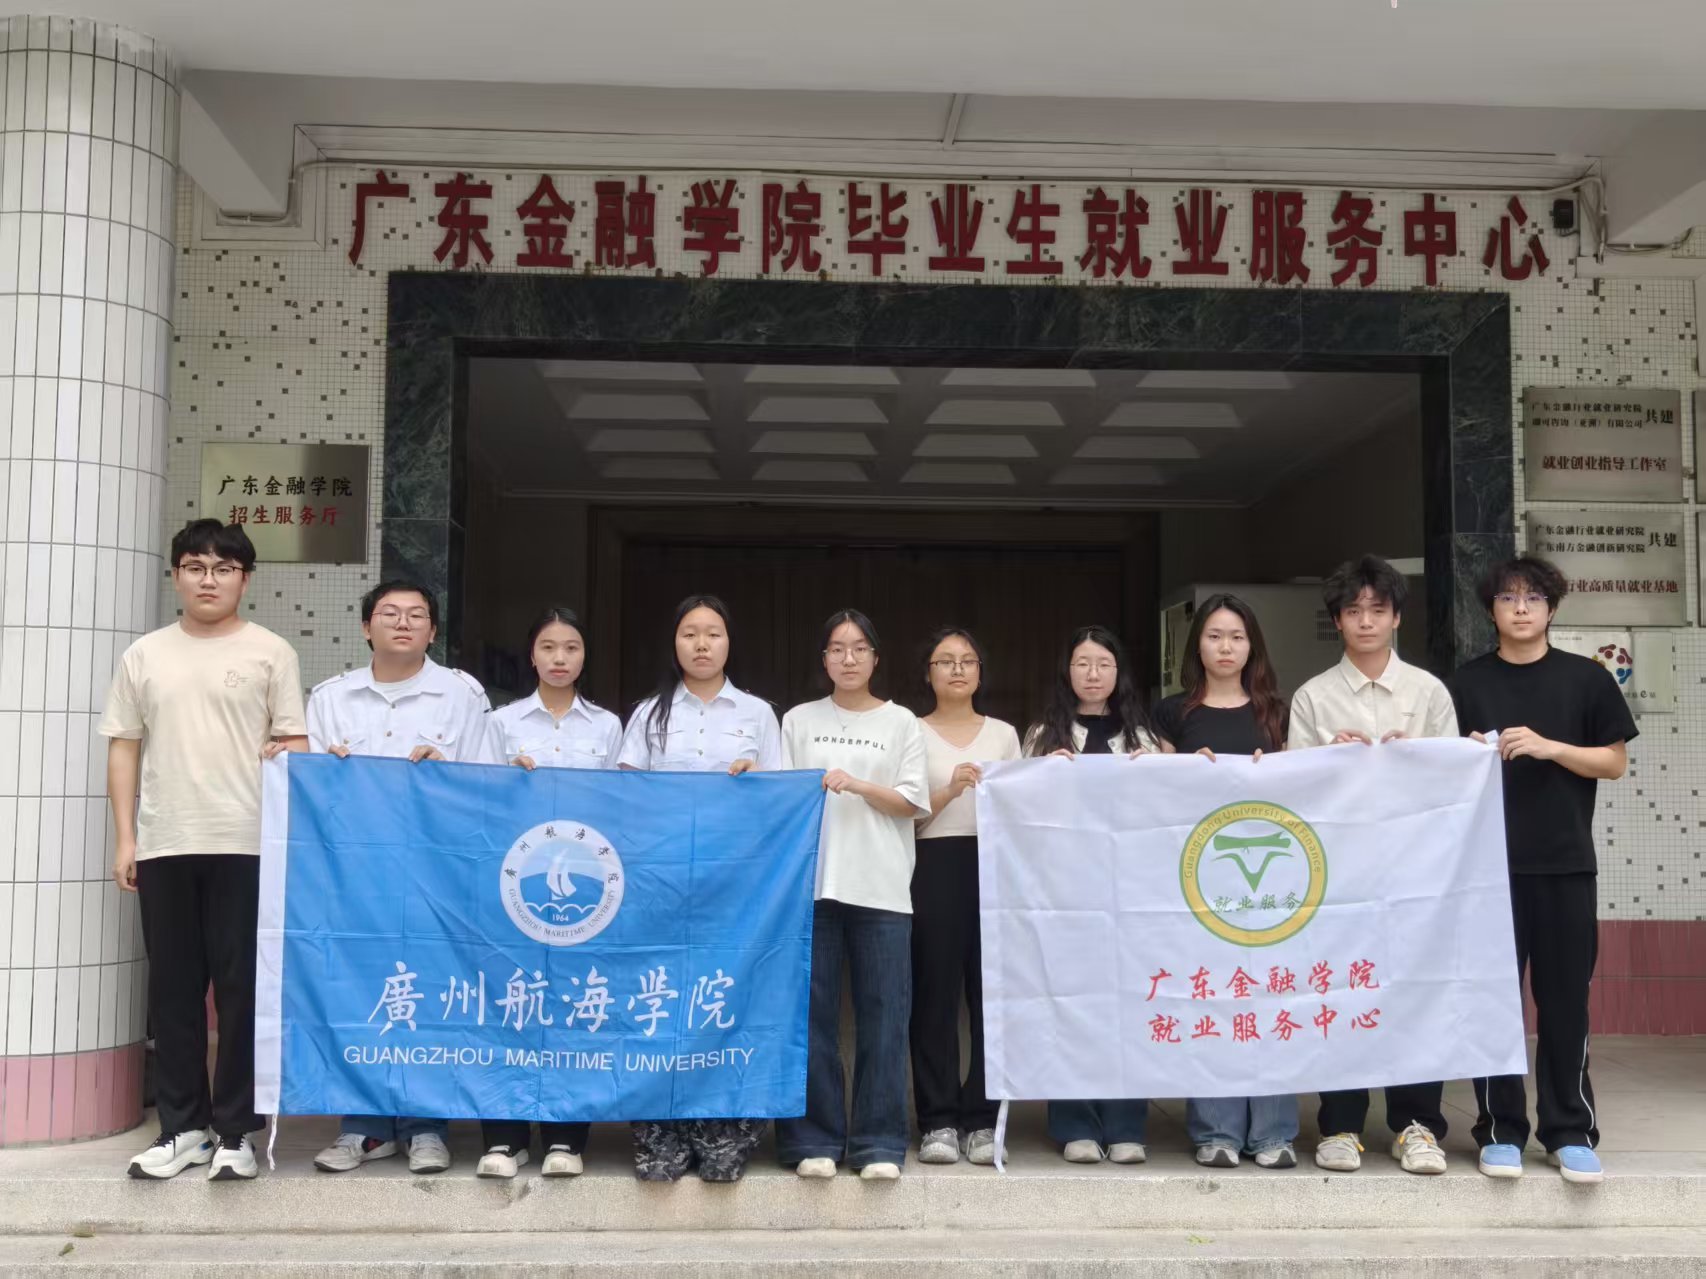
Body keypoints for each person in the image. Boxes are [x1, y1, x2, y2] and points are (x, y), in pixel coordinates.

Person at [100, 519, 308, 1181]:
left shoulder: (271, 651)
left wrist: (285, 750)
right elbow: (124, 746)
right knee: (173, 989)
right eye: (195, 567)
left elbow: (295, 743)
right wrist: (127, 838)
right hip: (166, 841)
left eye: (223, 568)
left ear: (245, 579)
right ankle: (183, 1127)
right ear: (176, 576)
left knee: (242, 989)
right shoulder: (145, 654)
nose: (208, 579)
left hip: (247, 843)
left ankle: (236, 1131)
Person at [307, 579, 503, 1176]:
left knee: (428, 990)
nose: (402, 622)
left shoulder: (461, 694)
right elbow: (307, 786)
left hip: (434, 872)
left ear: (433, 631)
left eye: (417, 615)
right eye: (389, 613)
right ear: (366, 627)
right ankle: (362, 1127)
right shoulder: (331, 697)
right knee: (360, 990)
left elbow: (489, 780)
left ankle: (426, 1126)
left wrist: (448, 773)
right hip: (355, 874)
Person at [1449, 555, 1634, 1185]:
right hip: (1486, 874)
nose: (1521, 607)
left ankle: (1569, 1130)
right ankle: (1500, 1130)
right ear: (1491, 610)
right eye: (1508, 598)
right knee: (1492, 1004)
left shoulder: (1586, 680)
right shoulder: (1466, 684)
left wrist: (1550, 747)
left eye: (1533, 597)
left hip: (1565, 866)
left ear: (1552, 608)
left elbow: (1613, 763)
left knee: (1564, 1004)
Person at [1287, 555, 1457, 1176]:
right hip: (1341, 876)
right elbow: (1294, 792)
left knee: (1415, 993)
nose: (1365, 621)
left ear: (1397, 618)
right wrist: (1327, 761)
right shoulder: (1312, 696)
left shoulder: (1429, 693)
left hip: (1415, 874)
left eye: (1377, 610)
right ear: (1336, 620)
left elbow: (1453, 787)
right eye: (1353, 611)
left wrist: (1421, 759)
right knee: (1340, 989)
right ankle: (1340, 1123)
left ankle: (1417, 1124)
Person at [616, 593, 781, 1182]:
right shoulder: (648, 714)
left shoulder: (758, 714)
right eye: (690, 633)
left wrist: (755, 783)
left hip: (737, 887)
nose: (702, 644)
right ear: (674, 643)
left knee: (723, 999)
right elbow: (623, 800)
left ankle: (724, 1131)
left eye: (713, 633)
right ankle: (659, 1132)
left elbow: (779, 799)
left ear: (729, 642)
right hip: (662, 885)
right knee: (662, 1000)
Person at [776, 609, 931, 1181]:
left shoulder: (901, 721)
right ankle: (812, 1140)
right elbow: (779, 797)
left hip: (882, 887)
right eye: (837, 648)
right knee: (810, 1018)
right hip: (811, 886)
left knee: (884, 1018)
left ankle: (879, 1143)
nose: (848, 658)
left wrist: (858, 784)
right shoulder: (798, 720)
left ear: (875, 658)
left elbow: (912, 803)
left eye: (859, 648)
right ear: (823, 659)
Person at [1152, 594, 1300, 1171]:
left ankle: (1274, 1131)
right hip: (1200, 879)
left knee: (1272, 998)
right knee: (1212, 999)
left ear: (1252, 645)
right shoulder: (1172, 714)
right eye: (1214, 636)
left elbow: (1305, 789)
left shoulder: (1277, 712)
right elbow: (1156, 797)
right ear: (1197, 645)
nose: (1225, 647)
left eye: (1237, 636)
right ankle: (1215, 1130)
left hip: (1272, 884)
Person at [475, 606, 623, 1180]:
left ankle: (566, 1135)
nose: (560, 658)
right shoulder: (502, 722)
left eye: (572, 648)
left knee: (574, 1005)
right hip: (515, 884)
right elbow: (475, 800)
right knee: (509, 1002)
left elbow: (621, 806)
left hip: (585, 891)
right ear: (532, 655)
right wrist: (508, 784)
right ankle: (504, 1138)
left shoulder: (607, 726)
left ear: (585, 656)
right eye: (548, 647)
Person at [1024, 625, 1158, 1166]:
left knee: (1128, 1005)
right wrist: (1042, 775)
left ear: (1118, 672)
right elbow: (1020, 813)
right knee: (1070, 1005)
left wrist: (1161, 769)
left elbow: (1165, 810)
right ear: (1067, 671)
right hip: (1066, 895)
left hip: (1129, 893)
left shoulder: (1143, 737)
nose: (1093, 673)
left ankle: (1126, 1125)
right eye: (1082, 663)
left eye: (1104, 663)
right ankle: (1075, 1123)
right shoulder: (1042, 734)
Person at [910, 627, 1022, 1168]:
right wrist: (951, 789)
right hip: (932, 863)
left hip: (993, 865)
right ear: (927, 672)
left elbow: (1023, 809)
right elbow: (903, 814)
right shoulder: (909, 731)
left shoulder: (1003, 734)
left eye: (967, 661)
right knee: (934, 996)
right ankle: (937, 1119)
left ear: (980, 671)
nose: (957, 669)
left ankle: (982, 1119)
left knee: (989, 996)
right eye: (945, 661)